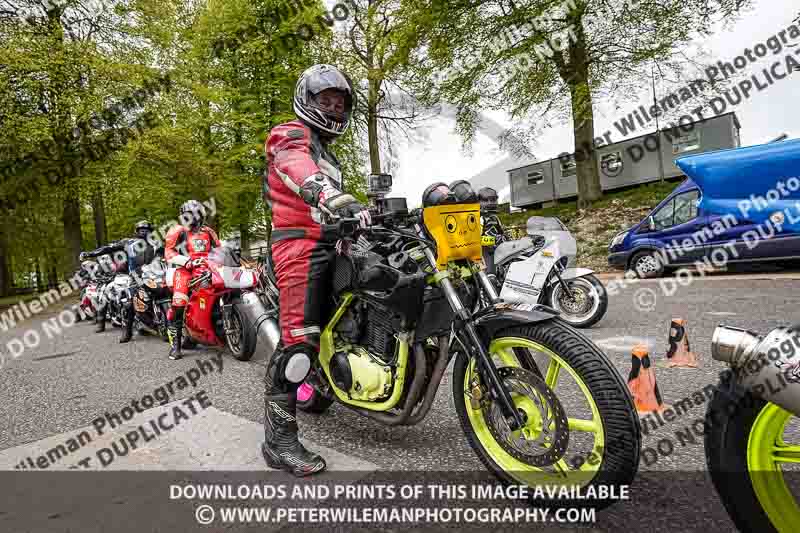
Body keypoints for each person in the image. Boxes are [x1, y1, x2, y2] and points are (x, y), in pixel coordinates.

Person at [261, 64, 371, 476]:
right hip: (299, 246)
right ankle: (278, 442)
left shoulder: (329, 151)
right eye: (325, 101)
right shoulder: (291, 135)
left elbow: (337, 199)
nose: (334, 109)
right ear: (307, 102)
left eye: (340, 104)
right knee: (299, 344)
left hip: (333, 244)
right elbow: (295, 167)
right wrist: (326, 192)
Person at [79, 220, 160, 343]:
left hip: (156, 273)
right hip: (135, 277)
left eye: (147, 230)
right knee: (129, 301)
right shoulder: (128, 242)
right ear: (136, 231)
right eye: (141, 230)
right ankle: (127, 331)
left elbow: (170, 252)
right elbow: (108, 248)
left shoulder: (157, 243)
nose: (144, 232)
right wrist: (90, 253)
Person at [163, 200, 221, 360]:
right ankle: (176, 345)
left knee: (227, 288)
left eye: (196, 214)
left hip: (209, 268)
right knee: (180, 301)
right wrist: (187, 261)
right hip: (185, 270)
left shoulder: (209, 231)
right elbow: (168, 253)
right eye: (189, 215)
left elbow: (219, 249)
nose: (193, 218)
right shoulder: (177, 231)